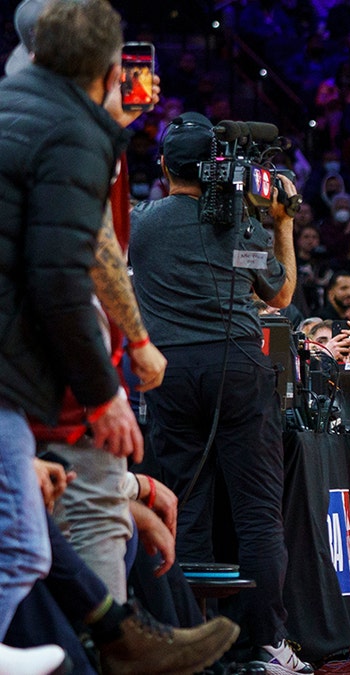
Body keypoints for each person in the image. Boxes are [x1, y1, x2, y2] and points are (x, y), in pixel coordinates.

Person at [128, 112, 310, 671]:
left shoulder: (138, 224)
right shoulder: (240, 226)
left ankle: (193, 642)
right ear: (214, 168)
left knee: (184, 505)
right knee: (258, 513)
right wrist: (281, 221)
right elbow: (278, 295)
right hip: (236, 368)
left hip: (169, 371)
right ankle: (269, 646)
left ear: (163, 167)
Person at [0, 0, 142, 668]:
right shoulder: (70, 132)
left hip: (24, 368)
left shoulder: (18, 103)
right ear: (110, 66)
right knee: (33, 544)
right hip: (28, 370)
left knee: (29, 545)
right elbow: (65, 272)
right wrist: (105, 389)